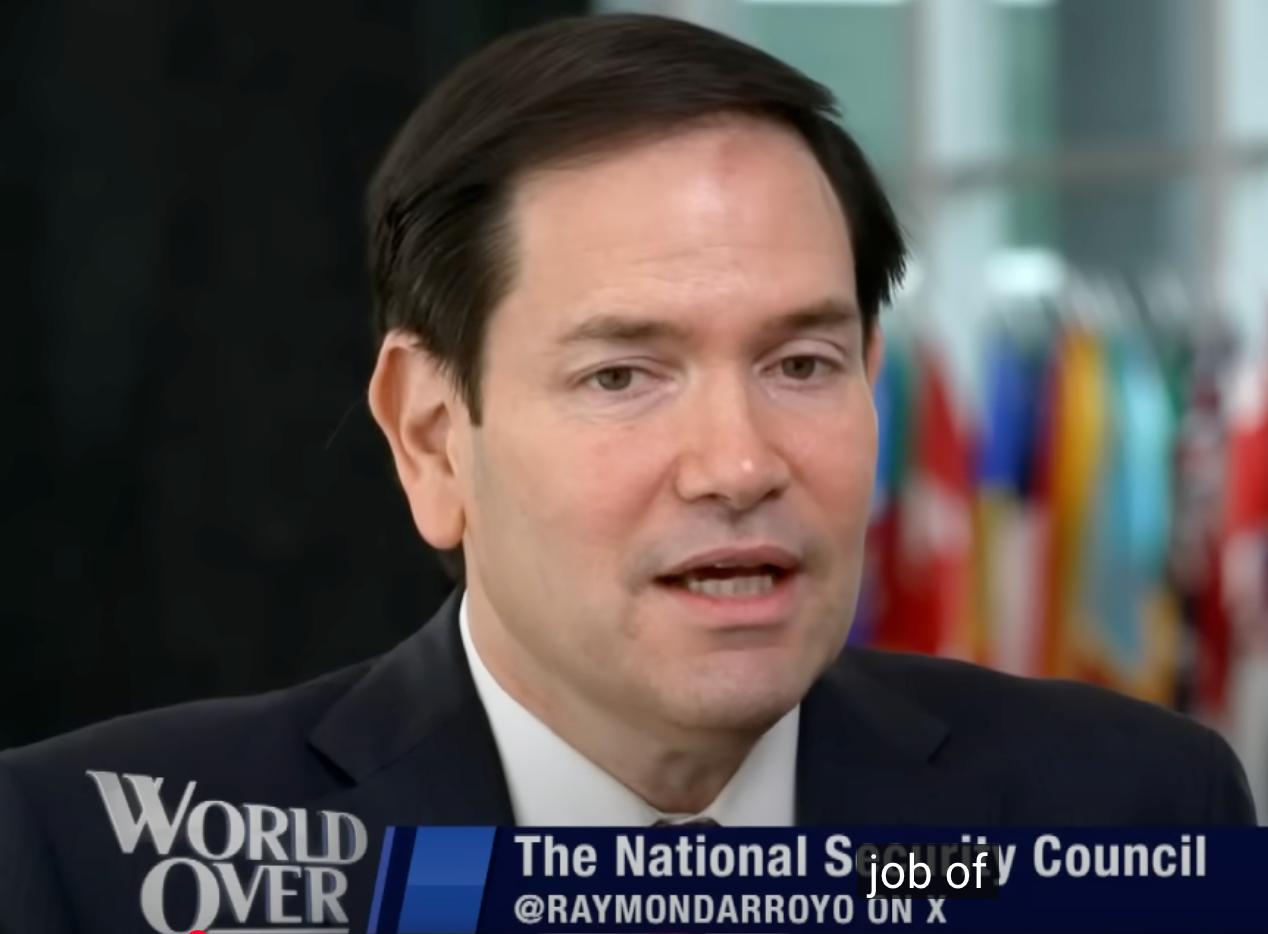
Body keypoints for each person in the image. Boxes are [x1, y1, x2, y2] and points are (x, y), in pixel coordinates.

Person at [0, 13, 1255, 934]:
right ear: (430, 435)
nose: (738, 463)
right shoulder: (83, 859)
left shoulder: (1133, 812)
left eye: (800, 363)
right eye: (620, 376)